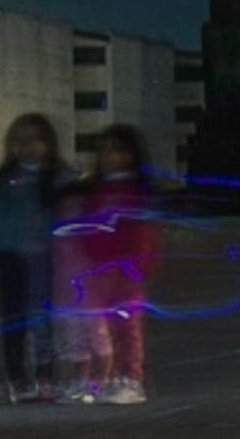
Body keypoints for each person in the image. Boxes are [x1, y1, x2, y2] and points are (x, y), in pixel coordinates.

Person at [59, 123, 162, 405]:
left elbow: (143, 232)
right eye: (103, 151)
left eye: (118, 150)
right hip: (98, 267)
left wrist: (139, 263)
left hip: (127, 268)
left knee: (126, 325)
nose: (109, 157)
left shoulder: (136, 191)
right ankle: (109, 379)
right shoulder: (97, 190)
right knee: (104, 326)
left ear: (132, 154)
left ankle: (131, 379)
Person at [0, 115, 69, 404]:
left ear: (48, 143)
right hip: (10, 258)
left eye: (35, 139)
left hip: (44, 258)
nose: (28, 146)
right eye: (21, 140)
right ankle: (17, 379)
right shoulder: (4, 179)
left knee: (42, 318)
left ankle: (45, 377)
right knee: (13, 320)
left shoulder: (58, 179)